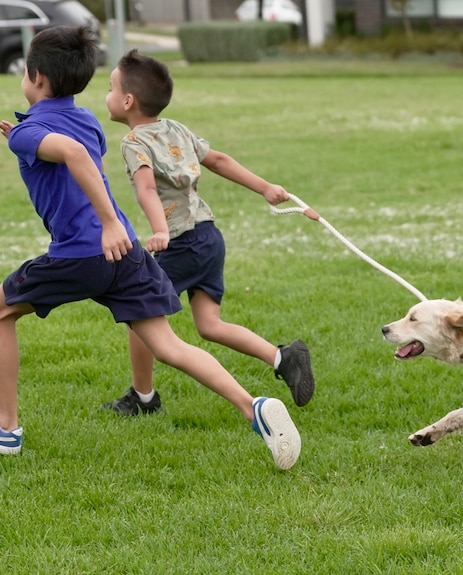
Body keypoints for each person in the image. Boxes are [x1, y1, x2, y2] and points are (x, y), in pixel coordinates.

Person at [0, 26, 301, 470]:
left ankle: (3, 426)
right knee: (169, 345)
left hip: (82, 253)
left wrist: (108, 221)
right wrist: (26, 141)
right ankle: (254, 408)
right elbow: (73, 152)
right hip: (128, 253)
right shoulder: (86, 120)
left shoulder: (32, 132)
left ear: (36, 77)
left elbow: (75, 157)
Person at [100, 49, 315, 417]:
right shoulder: (176, 129)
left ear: (128, 100)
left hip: (181, 242)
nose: (105, 96)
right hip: (209, 238)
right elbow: (218, 160)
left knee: (137, 309)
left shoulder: (134, 142)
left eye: (109, 88)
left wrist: (159, 230)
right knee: (209, 324)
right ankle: (283, 357)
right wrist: (263, 186)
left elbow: (147, 189)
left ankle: (143, 398)